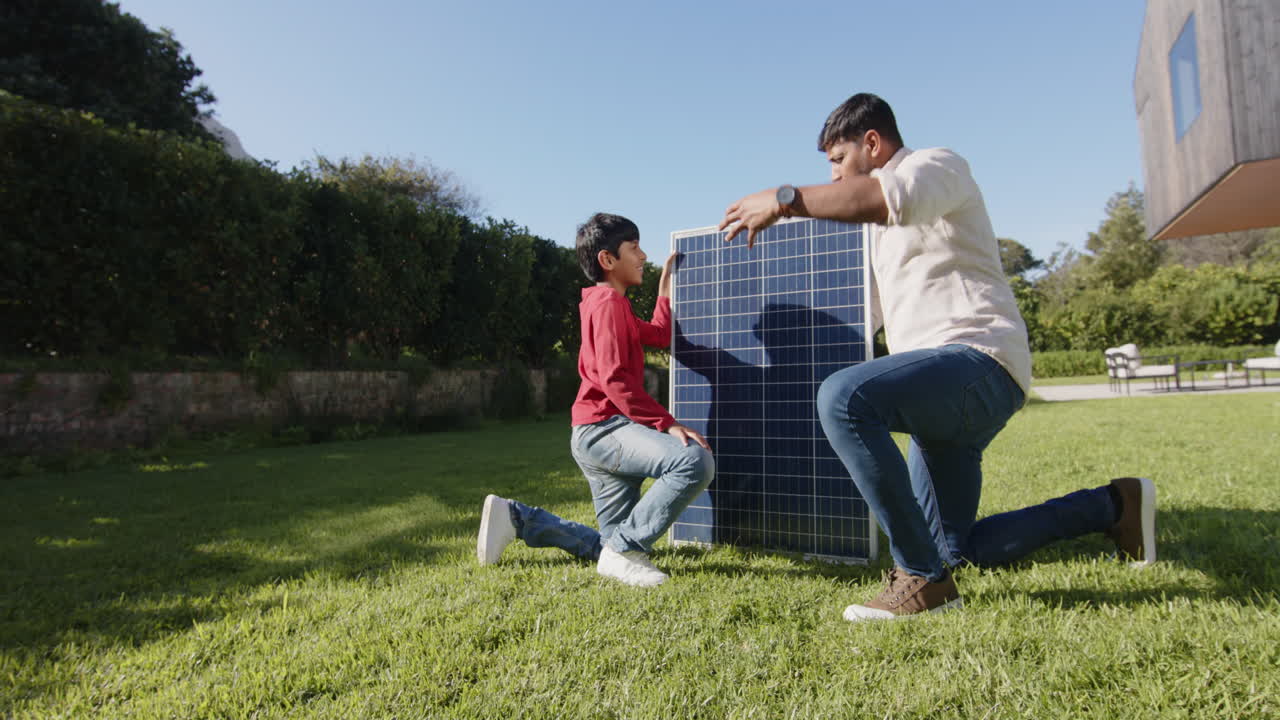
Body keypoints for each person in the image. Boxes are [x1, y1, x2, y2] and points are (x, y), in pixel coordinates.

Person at [718, 93, 1156, 622]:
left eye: (838, 160)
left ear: (872, 143)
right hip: (940, 402)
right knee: (955, 548)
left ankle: (920, 582)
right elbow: (861, 319)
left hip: (979, 362)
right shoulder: (877, 239)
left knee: (844, 397)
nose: (833, 177)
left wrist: (784, 199)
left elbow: (882, 199)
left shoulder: (937, 167)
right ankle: (1113, 505)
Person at [476, 212, 715, 587]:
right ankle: (623, 552)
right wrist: (667, 423)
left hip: (592, 433)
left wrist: (665, 287)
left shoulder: (609, 304)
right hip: (605, 429)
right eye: (634, 248)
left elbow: (656, 335)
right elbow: (615, 379)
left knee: (610, 544)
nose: (643, 256)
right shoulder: (607, 304)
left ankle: (517, 518)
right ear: (608, 260)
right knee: (693, 462)